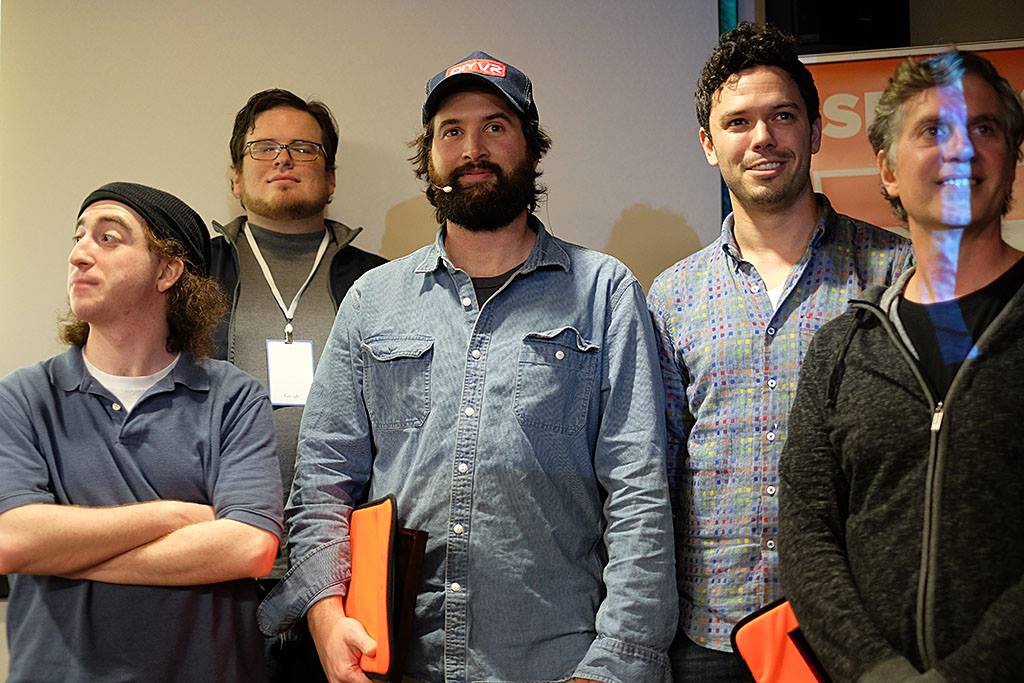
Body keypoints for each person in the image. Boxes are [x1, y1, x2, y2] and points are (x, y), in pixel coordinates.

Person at [258, 51, 677, 683]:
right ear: (428, 156)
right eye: (450, 131)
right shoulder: (373, 301)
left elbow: (640, 494)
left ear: (531, 149)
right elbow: (322, 481)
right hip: (393, 660)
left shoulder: (605, 292)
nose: (472, 148)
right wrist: (322, 615)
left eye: (495, 127)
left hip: (560, 664)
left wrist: (614, 664)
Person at [646, 22, 913, 681]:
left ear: (815, 131)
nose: (761, 138)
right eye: (737, 122)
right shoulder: (673, 295)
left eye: (782, 116)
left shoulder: (895, 270)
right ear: (709, 145)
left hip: (860, 634)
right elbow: (656, 470)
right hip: (713, 637)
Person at [780, 49, 1024, 682]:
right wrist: (874, 670)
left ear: (1012, 157)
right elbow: (807, 535)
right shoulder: (842, 348)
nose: (962, 149)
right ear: (886, 169)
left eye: (985, 128)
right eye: (933, 130)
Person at [0, 182, 283, 682]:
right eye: (79, 236)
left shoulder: (232, 397)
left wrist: (62, 552)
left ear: (168, 271)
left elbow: (249, 548)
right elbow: (10, 540)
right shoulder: (23, 396)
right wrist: (172, 515)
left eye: (108, 238)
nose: (79, 254)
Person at [210, 89, 386, 681]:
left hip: (345, 577)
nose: (283, 158)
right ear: (236, 177)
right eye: (264, 147)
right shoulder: (188, 274)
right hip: (219, 568)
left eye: (303, 148)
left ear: (331, 178)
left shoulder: (383, 283)